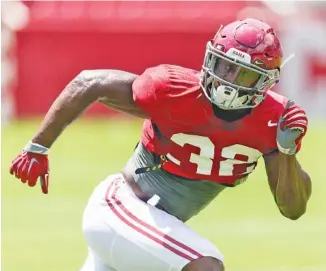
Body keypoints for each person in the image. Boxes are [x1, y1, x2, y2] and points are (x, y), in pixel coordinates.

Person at [9, 18, 312, 271]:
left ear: (264, 81)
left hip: (147, 231)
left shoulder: (274, 121)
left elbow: (293, 209)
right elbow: (91, 82)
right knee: (205, 266)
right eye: (223, 66)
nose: (227, 81)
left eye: (243, 73)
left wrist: (287, 151)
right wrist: (38, 147)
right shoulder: (174, 89)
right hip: (121, 206)